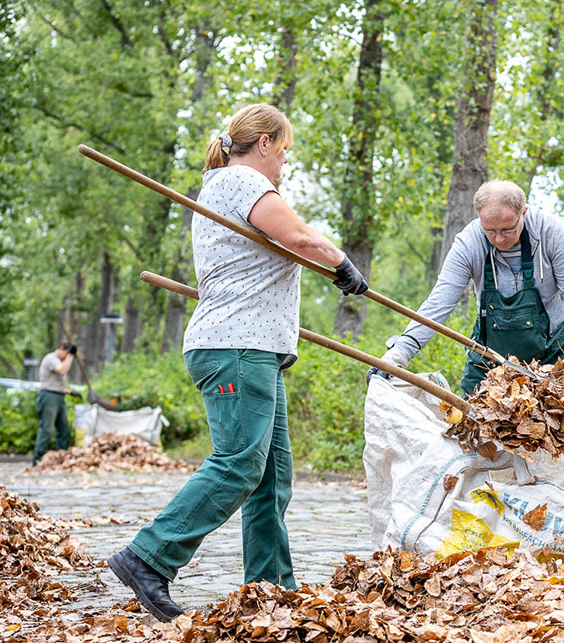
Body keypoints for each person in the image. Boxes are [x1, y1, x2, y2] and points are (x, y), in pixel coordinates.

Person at [107, 104, 368, 622]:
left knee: (271, 474)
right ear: (265, 142)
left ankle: (272, 590)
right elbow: (299, 238)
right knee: (240, 464)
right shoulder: (243, 180)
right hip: (237, 349)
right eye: (285, 149)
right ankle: (147, 557)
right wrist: (340, 264)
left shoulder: (229, 184)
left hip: (254, 351)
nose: (285, 161)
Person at [370, 180, 564, 395]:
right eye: (490, 231)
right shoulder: (469, 241)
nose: (499, 239)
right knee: (469, 427)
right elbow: (439, 302)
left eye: (507, 230)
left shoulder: (551, 231)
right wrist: (399, 353)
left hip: (552, 355)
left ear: (524, 213)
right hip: (490, 359)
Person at [32, 342, 81, 466]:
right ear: (61, 349)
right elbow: (62, 370)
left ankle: (61, 459)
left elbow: (57, 383)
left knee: (64, 430)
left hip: (59, 396)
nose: (66, 358)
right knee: (46, 430)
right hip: (49, 397)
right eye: (65, 354)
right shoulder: (51, 359)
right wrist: (70, 355)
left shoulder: (58, 360)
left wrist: (70, 392)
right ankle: (38, 460)